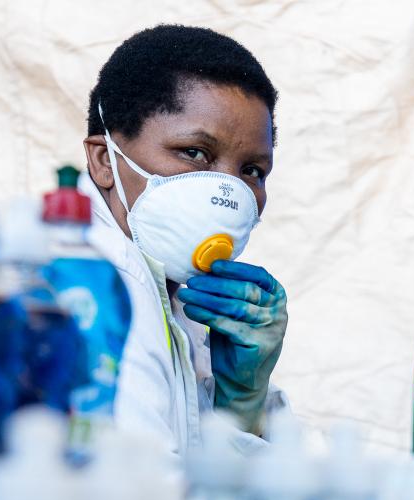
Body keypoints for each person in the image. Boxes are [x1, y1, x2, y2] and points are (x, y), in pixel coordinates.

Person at [79, 24, 289, 455]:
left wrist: (241, 400)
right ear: (104, 161)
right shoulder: (100, 285)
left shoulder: (176, 294)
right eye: (194, 153)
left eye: (252, 170)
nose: (227, 192)